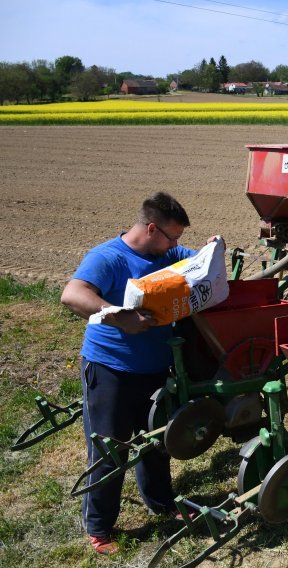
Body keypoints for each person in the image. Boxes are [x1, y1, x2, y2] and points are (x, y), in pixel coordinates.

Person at [61, 192, 214, 555]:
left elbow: (198, 263)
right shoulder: (108, 257)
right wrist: (117, 315)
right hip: (110, 370)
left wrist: (210, 251)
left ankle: (161, 503)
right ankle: (99, 528)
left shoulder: (167, 255)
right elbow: (72, 294)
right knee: (109, 450)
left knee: (158, 442)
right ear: (150, 228)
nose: (176, 245)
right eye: (171, 237)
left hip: (155, 370)